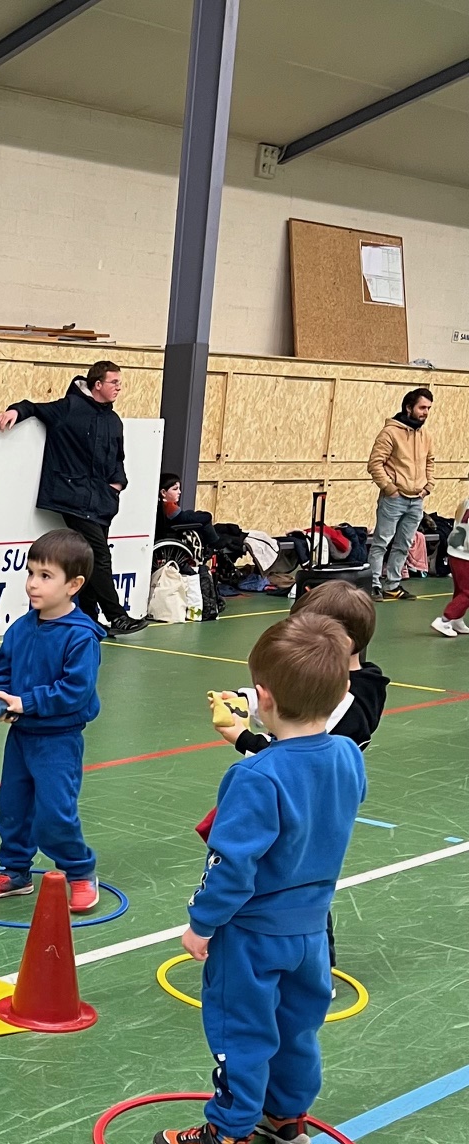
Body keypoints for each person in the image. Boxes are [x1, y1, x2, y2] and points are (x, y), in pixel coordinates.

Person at [155, 616, 366, 1144]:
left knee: (242, 1033)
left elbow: (230, 867)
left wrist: (201, 924)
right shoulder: (350, 756)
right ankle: (287, 1116)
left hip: (251, 935)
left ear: (262, 699)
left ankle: (226, 1138)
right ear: (344, 692)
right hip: (312, 932)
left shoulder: (256, 777)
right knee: (297, 1026)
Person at [215, 580, 387, 977]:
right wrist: (245, 699)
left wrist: (243, 738)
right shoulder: (330, 682)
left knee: (302, 885)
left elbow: (294, 762)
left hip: (313, 801)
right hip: (300, 792)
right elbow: (288, 696)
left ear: (343, 644)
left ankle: (314, 969)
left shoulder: (354, 700)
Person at [0, 529, 108, 914]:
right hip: (21, 737)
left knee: (54, 813)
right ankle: (16, 873)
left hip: (58, 742)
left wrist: (26, 702)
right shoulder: (20, 629)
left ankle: (80, 871)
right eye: (30, 573)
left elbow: (75, 691)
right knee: (12, 808)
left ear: (74, 585)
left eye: (45, 576)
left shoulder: (81, 637)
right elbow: (2, 674)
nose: (32, 583)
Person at [0, 360, 147, 636]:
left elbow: (118, 458)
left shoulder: (113, 421)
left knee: (88, 559)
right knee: (100, 557)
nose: (119, 388)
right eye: (114, 382)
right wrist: (15, 411)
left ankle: (89, 618)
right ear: (97, 384)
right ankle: (117, 616)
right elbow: (34, 407)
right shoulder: (69, 409)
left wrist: (117, 484)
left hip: (101, 501)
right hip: (74, 498)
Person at [367, 387, 434, 601]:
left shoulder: (425, 435)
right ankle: (374, 584)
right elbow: (375, 463)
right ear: (408, 408)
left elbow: (430, 462)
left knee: (404, 544)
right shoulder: (390, 433)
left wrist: (427, 487)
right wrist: (390, 489)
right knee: (381, 542)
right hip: (393, 499)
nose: (426, 412)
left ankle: (393, 586)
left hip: (416, 501)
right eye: (422, 407)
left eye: (429, 408)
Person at [430, 490, 469, 638]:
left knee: (461, 589)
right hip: (465, 555)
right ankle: (444, 620)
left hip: (455, 551)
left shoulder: (466, 501)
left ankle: (456, 619)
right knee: (468, 592)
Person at [156, 471, 218, 554]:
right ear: (163, 492)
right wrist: (207, 516)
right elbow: (182, 518)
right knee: (206, 518)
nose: (179, 492)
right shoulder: (168, 506)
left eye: (179, 489)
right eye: (175, 489)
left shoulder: (163, 505)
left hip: (178, 524)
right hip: (177, 529)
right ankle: (214, 543)